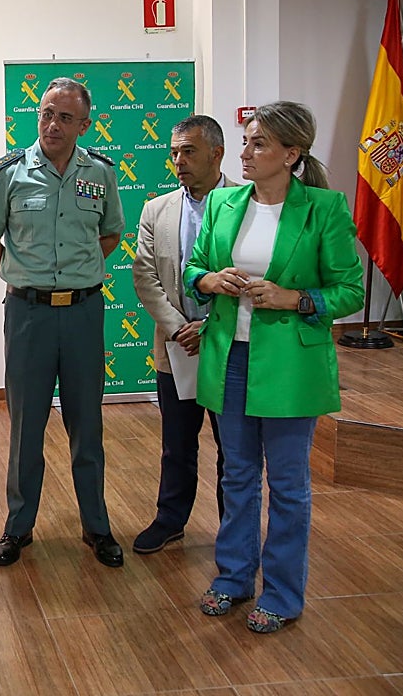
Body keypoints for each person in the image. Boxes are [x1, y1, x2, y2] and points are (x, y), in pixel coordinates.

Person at [183, 101, 363, 633]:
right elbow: (196, 267)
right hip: (230, 358)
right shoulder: (223, 203)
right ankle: (233, 578)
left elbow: (350, 290)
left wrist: (294, 298)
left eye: (259, 144)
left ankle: (282, 594)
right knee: (237, 475)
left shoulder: (323, 209)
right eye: (246, 142)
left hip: (289, 367)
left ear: (292, 153)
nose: (246, 152)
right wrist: (210, 281)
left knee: (287, 485)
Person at [0, 77, 126, 569]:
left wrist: (73, 278)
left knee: (88, 423)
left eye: (64, 117)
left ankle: (97, 527)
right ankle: (18, 528)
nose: (52, 124)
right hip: (28, 316)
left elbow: (110, 235)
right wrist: (27, 279)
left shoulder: (100, 173)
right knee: (26, 426)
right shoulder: (11, 173)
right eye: (45, 113)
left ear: (85, 124)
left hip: (83, 313)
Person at [131, 115, 230, 554]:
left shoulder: (244, 203)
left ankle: (235, 528)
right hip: (175, 347)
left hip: (230, 343)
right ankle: (170, 520)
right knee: (176, 444)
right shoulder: (157, 209)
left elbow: (250, 272)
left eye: (188, 151)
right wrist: (178, 328)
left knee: (235, 448)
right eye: (173, 152)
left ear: (217, 153)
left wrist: (210, 326)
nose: (178, 161)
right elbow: (145, 276)